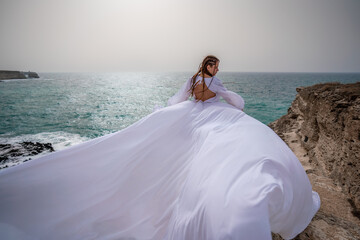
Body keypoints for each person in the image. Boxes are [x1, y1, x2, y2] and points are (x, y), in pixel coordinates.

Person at [0, 55, 320, 240]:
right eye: (215, 66)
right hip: (208, 117)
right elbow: (238, 101)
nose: (216, 71)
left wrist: (166, 110)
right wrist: (227, 100)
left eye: (217, 67)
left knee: (185, 155)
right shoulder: (212, 83)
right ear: (209, 67)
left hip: (191, 115)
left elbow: (177, 100)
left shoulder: (193, 78)